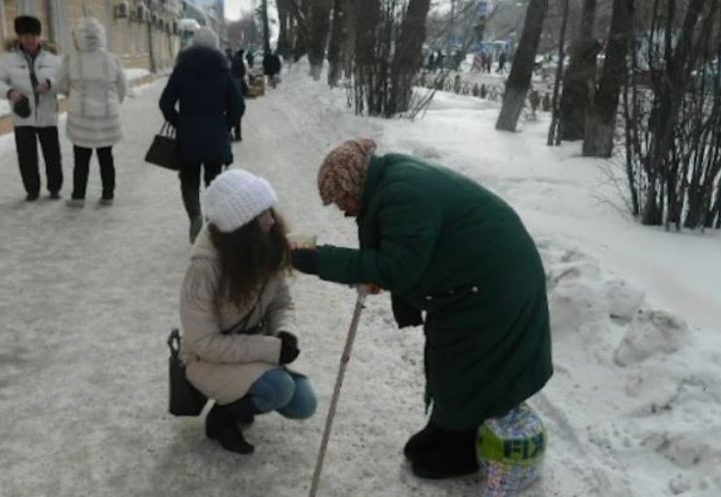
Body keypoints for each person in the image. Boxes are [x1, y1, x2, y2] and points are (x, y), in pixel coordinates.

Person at [290, 139, 552, 479]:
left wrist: (320, 260)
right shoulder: (390, 182)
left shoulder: (403, 194)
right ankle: (448, 428)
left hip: (494, 286)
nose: (344, 209)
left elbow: (398, 268)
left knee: (465, 360)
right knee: (450, 360)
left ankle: (463, 447)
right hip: (476, 280)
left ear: (354, 184)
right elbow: (398, 254)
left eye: (342, 199)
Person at [180, 169, 317, 455]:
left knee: (304, 403)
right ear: (241, 228)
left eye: (269, 210)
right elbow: (203, 343)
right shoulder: (204, 269)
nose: (270, 219)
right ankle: (221, 418)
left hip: (248, 348)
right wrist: (269, 349)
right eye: (261, 216)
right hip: (206, 358)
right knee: (279, 389)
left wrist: (285, 333)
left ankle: (243, 397)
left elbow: (282, 302)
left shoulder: (265, 245)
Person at [160, 27, 244, 243]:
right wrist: (225, 125)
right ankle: (210, 221)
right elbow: (238, 105)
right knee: (214, 181)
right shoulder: (222, 72)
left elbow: (165, 103)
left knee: (188, 180)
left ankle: (195, 215)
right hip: (215, 136)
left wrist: (179, 122)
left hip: (188, 135)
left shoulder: (182, 71)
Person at [57, 17, 127, 208]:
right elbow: (122, 87)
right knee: (106, 158)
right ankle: (108, 195)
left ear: (79, 37)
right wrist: (114, 103)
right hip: (107, 119)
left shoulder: (72, 58)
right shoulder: (112, 59)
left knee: (81, 159)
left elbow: (60, 83)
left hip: (81, 120)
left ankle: (78, 197)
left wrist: (70, 93)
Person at [0, 15, 62, 201]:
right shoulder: (7, 60)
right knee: (26, 156)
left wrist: (50, 83)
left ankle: (54, 188)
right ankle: (32, 190)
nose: (30, 39)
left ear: (39, 36)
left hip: (47, 114)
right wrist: (10, 92)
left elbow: (64, 81)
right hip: (23, 115)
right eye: (26, 35)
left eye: (34, 35)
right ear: (19, 37)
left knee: (52, 155)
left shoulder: (53, 59)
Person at [229, 48, 247, 142]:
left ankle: (229, 133)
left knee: (230, 108)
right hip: (237, 83)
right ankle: (238, 134)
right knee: (236, 107)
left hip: (231, 83)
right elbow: (243, 71)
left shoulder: (230, 60)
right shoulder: (239, 60)